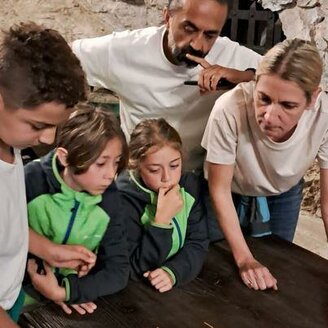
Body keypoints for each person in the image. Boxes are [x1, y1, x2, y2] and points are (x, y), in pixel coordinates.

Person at [72, 0, 261, 172]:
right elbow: (59, 59)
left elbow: (285, 77)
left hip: (199, 177)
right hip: (139, 176)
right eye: (189, 28)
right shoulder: (125, 49)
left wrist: (245, 76)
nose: (197, 44)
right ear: (167, 17)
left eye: (210, 35)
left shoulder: (230, 55)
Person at [201, 38, 327, 291]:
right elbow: (219, 189)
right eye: (264, 98)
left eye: (288, 106)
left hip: (283, 192)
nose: (269, 117)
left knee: (277, 267)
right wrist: (245, 258)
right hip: (228, 190)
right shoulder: (228, 109)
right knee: (215, 266)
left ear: (312, 99)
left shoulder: (324, 117)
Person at [0, 22, 92, 327]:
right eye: (38, 126)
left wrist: (47, 249)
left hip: (8, 297)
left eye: (56, 126)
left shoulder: (10, 142)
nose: (49, 140)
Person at [25, 106, 130, 315]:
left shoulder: (110, 199)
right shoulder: (30, 179)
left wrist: (66, 292)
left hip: (62, 297)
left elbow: (118, 270)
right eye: (100, 164)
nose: (110, 175)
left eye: (116, 163)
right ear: (65, 158)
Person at [116, 118, 208, 293]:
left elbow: (198, 242)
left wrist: (173, 271)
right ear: (136, 165)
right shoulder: (124, 200)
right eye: (154, 170)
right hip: (135, 292)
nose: (167, 177)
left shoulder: (189, 186)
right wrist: (161, 222)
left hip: (174, 284)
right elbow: (134, 266)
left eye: (174, 165)